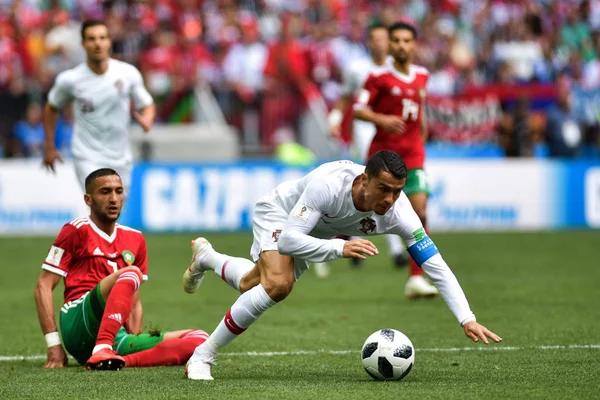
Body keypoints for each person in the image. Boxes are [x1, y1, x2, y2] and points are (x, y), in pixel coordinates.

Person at [182, 151, 502, 380]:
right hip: (283, 215)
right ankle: (203, 355)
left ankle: (207, 258)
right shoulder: (329, 183)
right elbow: (289, 241)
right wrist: (340, 248)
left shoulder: (400, 213)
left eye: (397, 191)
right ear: (365, 180)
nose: (390, 199)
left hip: (319, 234)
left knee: (252, 283)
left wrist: (466, 317)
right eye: (384, 189)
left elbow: (435, 264)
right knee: (278, 285)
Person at [34, 168, 207, 370]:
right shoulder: (75, 230)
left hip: (116, 335)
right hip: (78, 321)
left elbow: (134, 302)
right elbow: (43, 286)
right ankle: (102, 350)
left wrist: (135, 339)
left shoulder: (136, 238)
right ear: (88, 199)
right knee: (131, 272)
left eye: (118, 191)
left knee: (201, 340)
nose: (114, 198)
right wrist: (54, 344)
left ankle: (118, 360)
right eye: (105, 192)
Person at [354, 21, 437, 299]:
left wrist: (422, 131)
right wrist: (382, 119)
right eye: (397, 41)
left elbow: (419, 108)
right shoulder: (378, 78)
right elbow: (358, 109)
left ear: (414, 45)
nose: (402, 45)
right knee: (366, 210)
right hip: (383, 158)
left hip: (413, 155)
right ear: (389, 44)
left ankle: (415, 278)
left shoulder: (422, 75)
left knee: (421, 212)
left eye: (407, 41)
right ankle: (332, 239)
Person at [43, 19, 155, 196]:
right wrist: (49, 146)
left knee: (113, 211)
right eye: (91, 38)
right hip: (87, 156)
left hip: (120, 157)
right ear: (83, 43)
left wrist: (147, 118)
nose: (97, 43)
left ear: (109, 41)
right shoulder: (70, 79)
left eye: (102, 38)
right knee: (101, 202)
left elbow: (147, 103)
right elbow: (52, 106)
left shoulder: (127, 73)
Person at [329, 23, 409, 270]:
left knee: (387, 186)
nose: (378, 43)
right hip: (366, 130)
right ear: (369, 42)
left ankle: (356, 240)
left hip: (392, 132)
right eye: (373, 39)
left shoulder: (397, 69)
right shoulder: (357, 69)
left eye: (383, 39)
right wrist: (334, 119)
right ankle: (387, 248)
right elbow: (345, 97)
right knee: (373, 181)